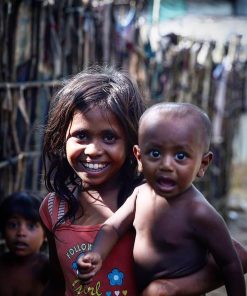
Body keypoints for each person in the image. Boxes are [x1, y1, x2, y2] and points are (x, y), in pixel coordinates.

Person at [40, 66, 247, 296]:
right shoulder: (54, 208)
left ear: (132, 144)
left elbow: (237, 258)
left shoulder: (156, 201)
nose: (93, 150)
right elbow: (58, 282)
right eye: (81, 135)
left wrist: (168, 289)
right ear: (62, 137)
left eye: (109, 137)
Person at [76, 102, 246, 295]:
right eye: (155, 153)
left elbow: (231, 264)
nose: (166, 165)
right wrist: (96, 253)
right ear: (139, 157)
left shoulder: (199, 213)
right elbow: (113, 227)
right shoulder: (140, 194)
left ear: (203, 163)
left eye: (180, 156)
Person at [0, 191, 50, 296]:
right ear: (3, 231)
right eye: (13, 225)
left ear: (46, 234)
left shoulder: (48, 269)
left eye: (31, 226)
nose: (21, 233)